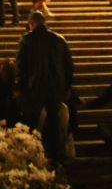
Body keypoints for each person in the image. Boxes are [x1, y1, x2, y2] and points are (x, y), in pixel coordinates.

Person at [16, 11, 74, 163]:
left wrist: (20, 87)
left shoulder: (27, 40)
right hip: (56, 88)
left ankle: (32, 155)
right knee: (55, 121)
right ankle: (56, 155)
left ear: (31, 23)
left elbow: (21, 67)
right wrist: (67, 87)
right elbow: (69, 66)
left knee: (32, 122)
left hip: (34, 88)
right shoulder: (59, 39)